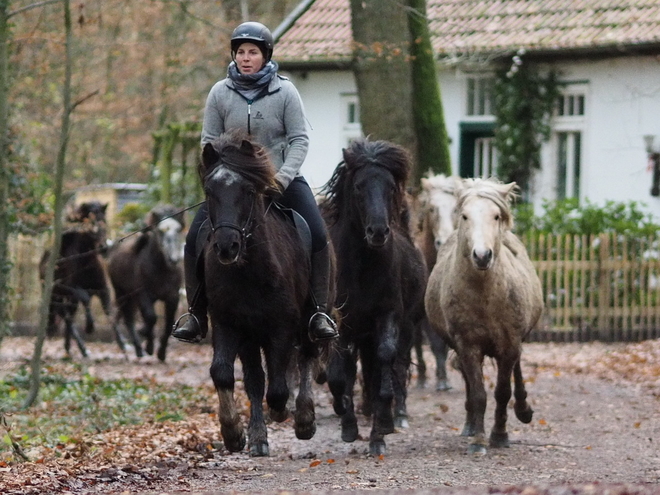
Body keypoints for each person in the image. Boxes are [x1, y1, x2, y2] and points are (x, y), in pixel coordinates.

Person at [172, 21, 338, 344]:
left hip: (281, 181)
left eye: (253, 52)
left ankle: (319, 311)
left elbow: (299, 140)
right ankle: (194, 313)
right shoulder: (219, 93)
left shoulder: (286, 91)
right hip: (231, 188)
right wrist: (218, 181)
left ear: (265, 56)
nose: (246, 58)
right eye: (241, 52)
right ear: (234, 56)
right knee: (194, 238)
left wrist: (282, 178)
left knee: (317, 233)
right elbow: (208, 143)